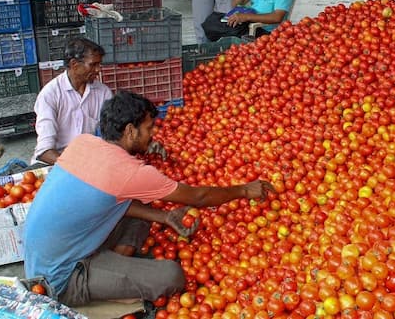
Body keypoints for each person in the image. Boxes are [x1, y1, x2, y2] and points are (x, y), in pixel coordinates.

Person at [24, 91, 276, 307]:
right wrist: (244, 190)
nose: (153, 134)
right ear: (130, 131)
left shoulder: (83, 143)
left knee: (140, 205)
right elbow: (199, 196)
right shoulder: (129, 171)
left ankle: (116, 269)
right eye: (149, 129)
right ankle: (110, 282)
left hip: (52, 251)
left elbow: (107, 200)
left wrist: (164, 217)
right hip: (61, 277)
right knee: (172, 276)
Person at [32, 38, 112, 165]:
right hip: (57, 161)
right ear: (74, 64)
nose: (98, 70)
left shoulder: (103, 93)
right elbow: (44, 151)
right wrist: (75, 166)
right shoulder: (50, 95)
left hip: (89, 160)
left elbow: (111, 134)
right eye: (93, 65)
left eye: (99, 64)